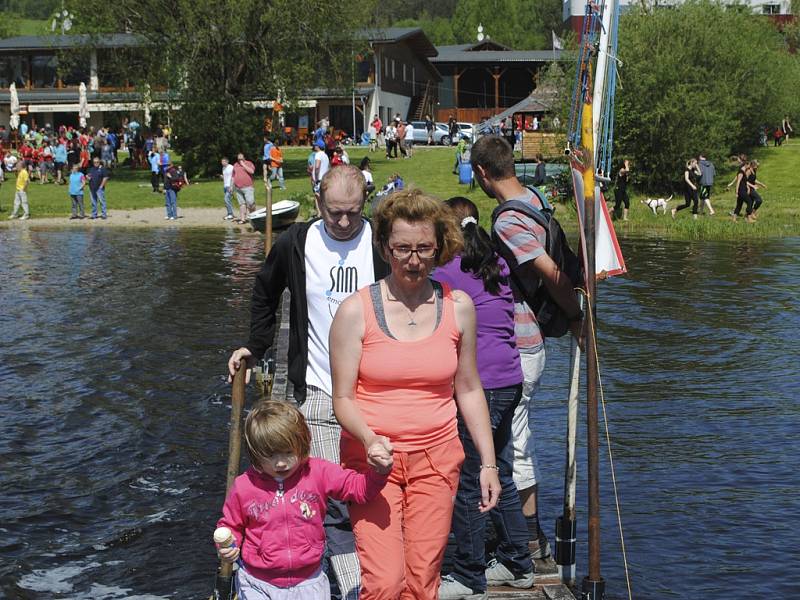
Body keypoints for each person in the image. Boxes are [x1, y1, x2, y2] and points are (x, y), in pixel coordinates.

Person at [227, 165, 390, 600]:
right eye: (334, 212)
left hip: (375, 391)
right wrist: (255, 348)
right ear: (318, 203)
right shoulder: (295, 242)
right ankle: (351, 586)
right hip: (315, 389)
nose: (342, 222)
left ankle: (377, 574)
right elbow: (265, 292)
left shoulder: (380, 242)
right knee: (328, 495)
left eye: (352, 213)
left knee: (374, 488)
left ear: (365, 206)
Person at [330, 189, 501, 599]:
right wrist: (370, 439)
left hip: (438, 459)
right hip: (373, 462)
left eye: (424, 248)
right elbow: (343, 398)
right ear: (385, 247)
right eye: (402, 248)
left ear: (440, 247)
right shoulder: (355, 311)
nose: (413, 259)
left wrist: (489, 464)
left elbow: (470, 387)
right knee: (385, 581)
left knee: (423, 580)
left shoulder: (459, 307)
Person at [470, 135, 584, 563]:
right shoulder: (534, 197)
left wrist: (575, 317)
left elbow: (551, 273)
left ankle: (529, 538)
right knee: (509, 436)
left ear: (482, 173)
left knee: (514, 440)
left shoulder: (506, 223)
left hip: (519, 341)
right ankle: (518, 530)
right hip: (527, 337)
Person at [435, 197, 534, 598]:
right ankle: (517, 563)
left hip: (483, 385)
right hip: (510, 378)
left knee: (470, 478)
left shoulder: (447, 274)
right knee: (502, 473)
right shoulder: (498, 265)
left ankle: (468, 573)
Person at [216, 401, 391, 600]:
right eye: (270, 456)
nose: (280, 463)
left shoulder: (318, 472)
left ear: (302, 444)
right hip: (258, 582)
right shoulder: (244, 486)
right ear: (256, 454)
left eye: (288, 453)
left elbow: (359, 489)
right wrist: (228, 547)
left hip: (309, 580)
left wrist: (379, 472)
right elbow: (231, 525)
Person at [233, 152, 256, 224]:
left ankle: (254, 217)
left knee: (250, 203)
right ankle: (243, 219)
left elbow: (252, 171)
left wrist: (243, 164)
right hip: (238, 187)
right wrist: (231, 186)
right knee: (242, 204)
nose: (239, 160)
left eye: (241, 158)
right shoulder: (235, 165)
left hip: (247, 187)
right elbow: (233, 176)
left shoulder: (249, 163)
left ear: (244, 158)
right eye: (238, 159)